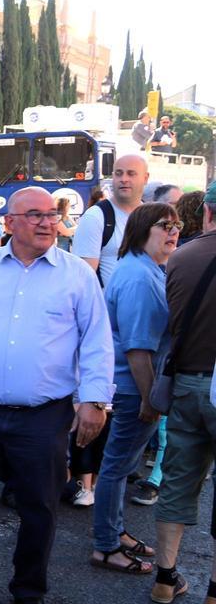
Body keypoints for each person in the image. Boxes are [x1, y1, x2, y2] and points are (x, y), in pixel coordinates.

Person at [0, 186, 113, 604]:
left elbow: (97, 341)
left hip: (43, 416)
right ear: (9, 222)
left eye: (52, 214)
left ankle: (28, 591)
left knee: (40, 505)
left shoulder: (76, 275)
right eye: (33, 214)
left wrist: (94, 400)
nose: (47, 221)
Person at [89, 203, 180, 574]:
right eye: (164, 225)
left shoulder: (147, 269)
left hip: (131, 385)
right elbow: (138, 349)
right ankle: (106, 546)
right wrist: (150, 398)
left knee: (120, 465)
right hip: (132, 387)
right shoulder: (139, 277)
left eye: (177, 225)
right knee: (115, 467)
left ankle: (114, 532)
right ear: (143, 229)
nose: (173, 231)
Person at [150, 180, 216, 604]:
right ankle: (214, 596)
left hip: (188, 382)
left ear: (207, 212)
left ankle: (164, 578)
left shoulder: (182, 258)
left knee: (176, 481)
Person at [72, 154, 149, 285]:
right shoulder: (95, 217)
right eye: (118, 173)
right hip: (108, 304)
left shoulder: (152, 217)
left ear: (145, 178)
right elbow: (82, 280)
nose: (124, 179)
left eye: (131, 174)